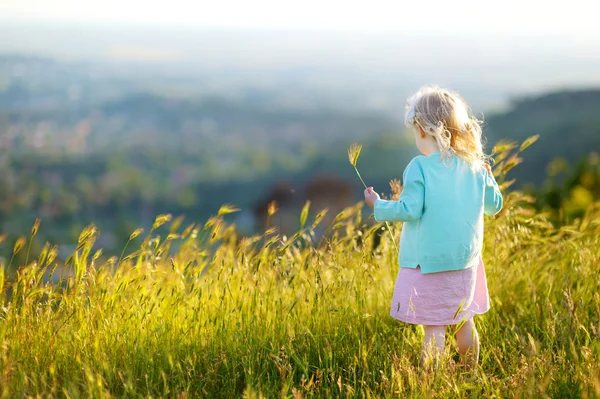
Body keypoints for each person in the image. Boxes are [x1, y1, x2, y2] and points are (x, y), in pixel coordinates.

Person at [363, 86, 503, 370]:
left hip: (428, 265)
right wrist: (490, 178)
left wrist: (378, 205)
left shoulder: (420, 167)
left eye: (416, 132)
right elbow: (494, 206)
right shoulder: (475, 166)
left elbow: (409, 209)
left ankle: (431, 380)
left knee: (434, 327)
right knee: (464, 320)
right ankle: (470, 373)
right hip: (466, 263)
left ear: (423, 130)